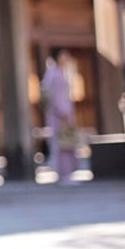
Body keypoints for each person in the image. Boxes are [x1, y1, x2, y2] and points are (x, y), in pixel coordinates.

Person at [41, 48, 79, 184]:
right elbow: (54, 96)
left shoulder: (62, 72)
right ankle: (64, 173)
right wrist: (62, 111)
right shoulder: (53, 74)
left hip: (65, 112)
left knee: (67, 143)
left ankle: (68, 172)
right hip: (60, 114)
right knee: (62, 144)